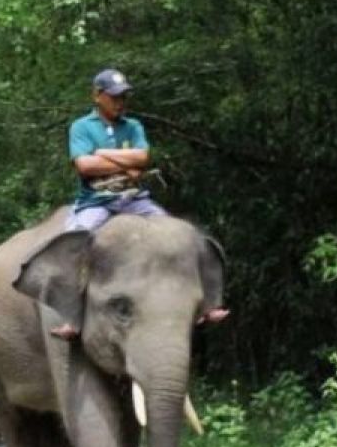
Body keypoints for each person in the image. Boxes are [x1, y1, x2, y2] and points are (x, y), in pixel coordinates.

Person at [50, 69, 228, 340]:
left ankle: (206, 305)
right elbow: (85, 166)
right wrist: (124, 160)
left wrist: (103, 155)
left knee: (184, 236)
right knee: (71, 244)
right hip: (95, 203)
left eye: (124, 97)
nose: (121, 102)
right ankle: (73, 317)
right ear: (97, 96)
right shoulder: (81, 126)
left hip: (134, 201)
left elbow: (142, 159)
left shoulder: (133, 126)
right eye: (114, 97)